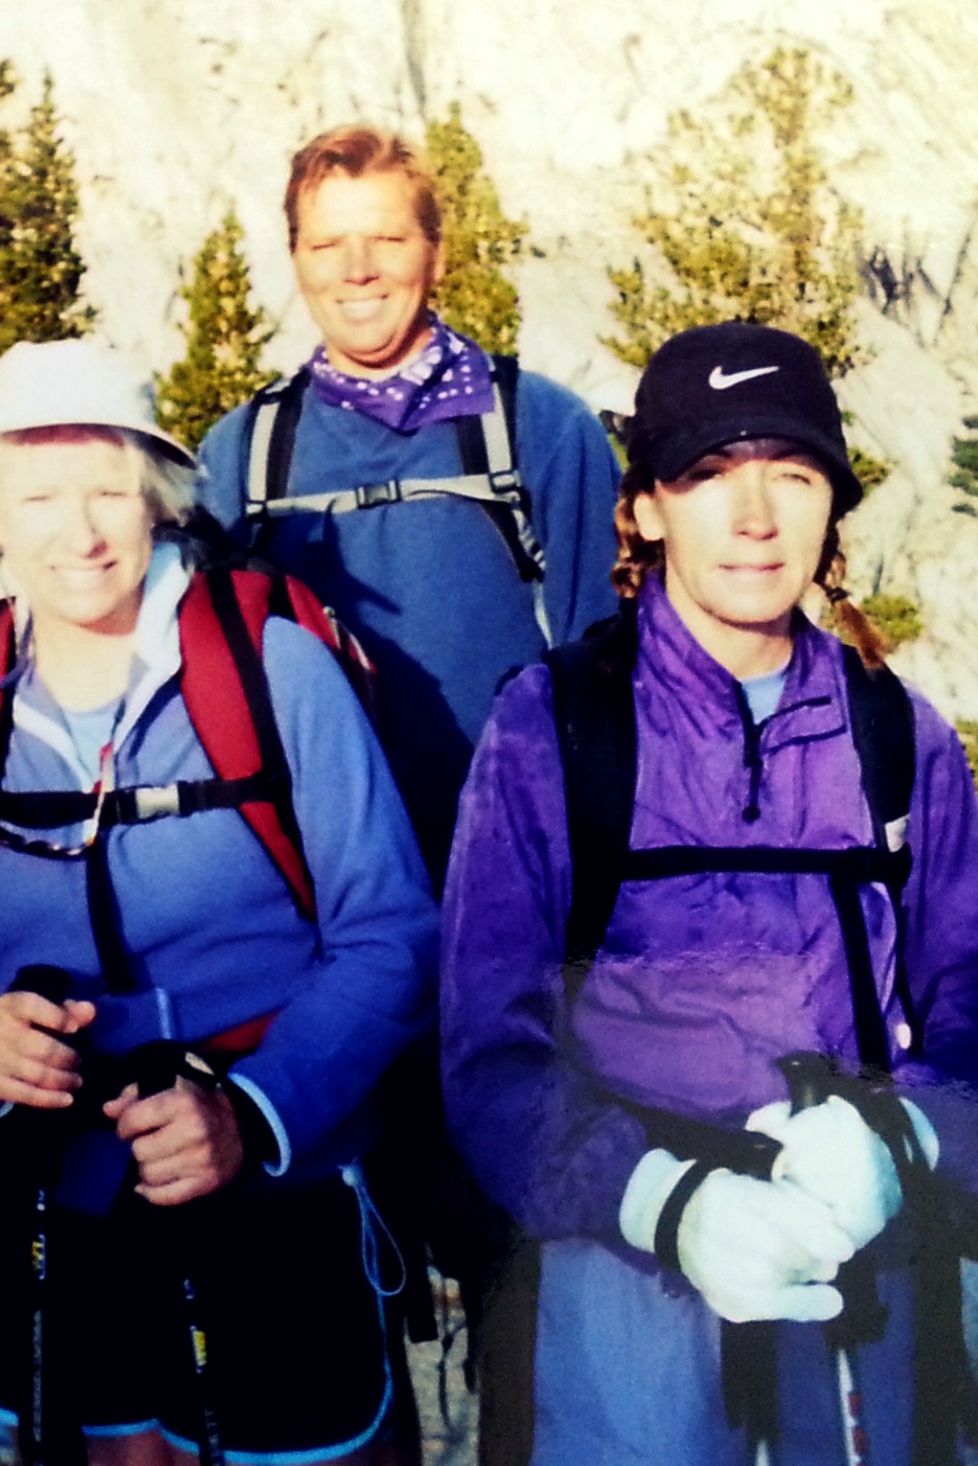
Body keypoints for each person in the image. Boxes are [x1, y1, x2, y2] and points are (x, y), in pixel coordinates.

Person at [440, 322, 978, 1465]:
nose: (757, 515)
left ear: (833, 509)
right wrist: (665, 1203)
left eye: (795, 472)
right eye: (711, 472)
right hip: (625, 1269)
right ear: (646, 508)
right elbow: (491, 1051)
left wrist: (905, 1139)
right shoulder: (555, 729)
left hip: (858, 1243)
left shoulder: (891, 731)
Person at [0, 339, 438, 1466]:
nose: (79, 533)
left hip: (277, 1182)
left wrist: (252, 1113)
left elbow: (390, 934)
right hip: (58, 1194)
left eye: (109, 491)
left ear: (159, 498)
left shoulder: (273, 667)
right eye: (39, 497)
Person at [193, 124, 622, 1454]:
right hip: (323, 935)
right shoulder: (242, 455)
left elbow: (603, 670)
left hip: (508, 923)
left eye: (387, 237)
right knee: (341, 1250)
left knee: (519, 1254)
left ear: (436, 251)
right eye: (329, 243)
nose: (359, 268)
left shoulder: (537, 428)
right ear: (295, 257)